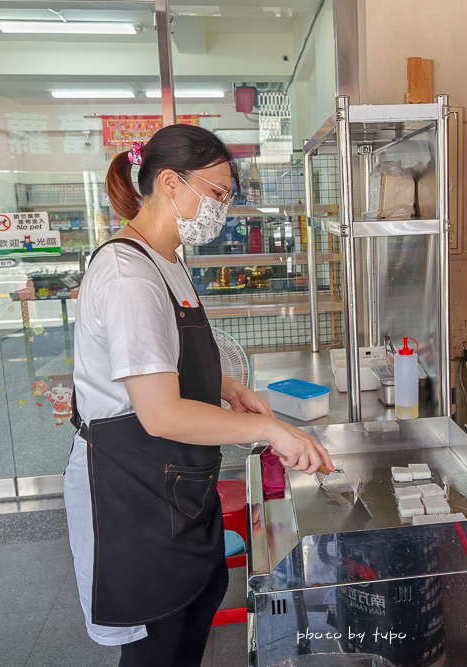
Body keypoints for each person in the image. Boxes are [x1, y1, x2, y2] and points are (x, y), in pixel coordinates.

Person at [63, 124, 333, 667]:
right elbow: (160, 412)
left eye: (228, 197)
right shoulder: (128, 275)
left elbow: (164, 363)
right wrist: (270, 429)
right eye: (216, 193)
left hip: (174, 480)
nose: (222, 209)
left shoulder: (168, 261)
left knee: (195, 609)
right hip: (131, 493)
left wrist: (226, 387)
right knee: (155, 645)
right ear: (169, 182)